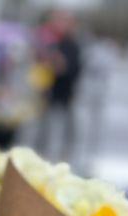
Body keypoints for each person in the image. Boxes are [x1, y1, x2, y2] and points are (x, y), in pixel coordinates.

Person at [36, 10, 82, 161]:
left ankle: (65, 155)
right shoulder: (50, 42)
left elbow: (73, 68)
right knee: (45, 126)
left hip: (66, 91)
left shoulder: (72, 44)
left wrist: (60, 64)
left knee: (67, 126)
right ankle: (42, 154)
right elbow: (41, 64)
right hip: (49, 91)